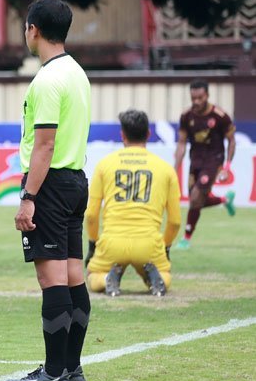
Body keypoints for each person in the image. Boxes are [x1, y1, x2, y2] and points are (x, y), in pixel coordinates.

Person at [6, 0, 91, 381]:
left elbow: (44, 145)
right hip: (75, 181)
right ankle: (71, 366)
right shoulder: (76, 72)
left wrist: (28, 197)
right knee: (74, 276)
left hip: (52, 185)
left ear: (33, 29)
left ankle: (53, 370)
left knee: (52, 279)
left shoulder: (47, 79)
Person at [85, 109, 180, 297]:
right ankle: (156, 279)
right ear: (148, 134)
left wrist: (93, 244)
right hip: (148, 243)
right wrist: (165, 246)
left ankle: (107, 280)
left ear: (122, 135)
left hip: (113, 242)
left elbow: (91, 215)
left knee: (92, 274)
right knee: (165, 275)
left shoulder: (105, 165)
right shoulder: (166, 169)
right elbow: (175, 221)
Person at [172, 79, 236, 249]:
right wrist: (174, 169)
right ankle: (224, 199)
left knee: (194, 199)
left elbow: (232, 141)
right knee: (197, 201)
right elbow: (181, 143)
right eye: (193, 98)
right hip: (196, 161)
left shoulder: (220, 116)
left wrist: (227, 167)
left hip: (214, 161)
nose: (196, 102)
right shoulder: (186, 116)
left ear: (207, 95)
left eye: (200, 98)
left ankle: (186, 238)